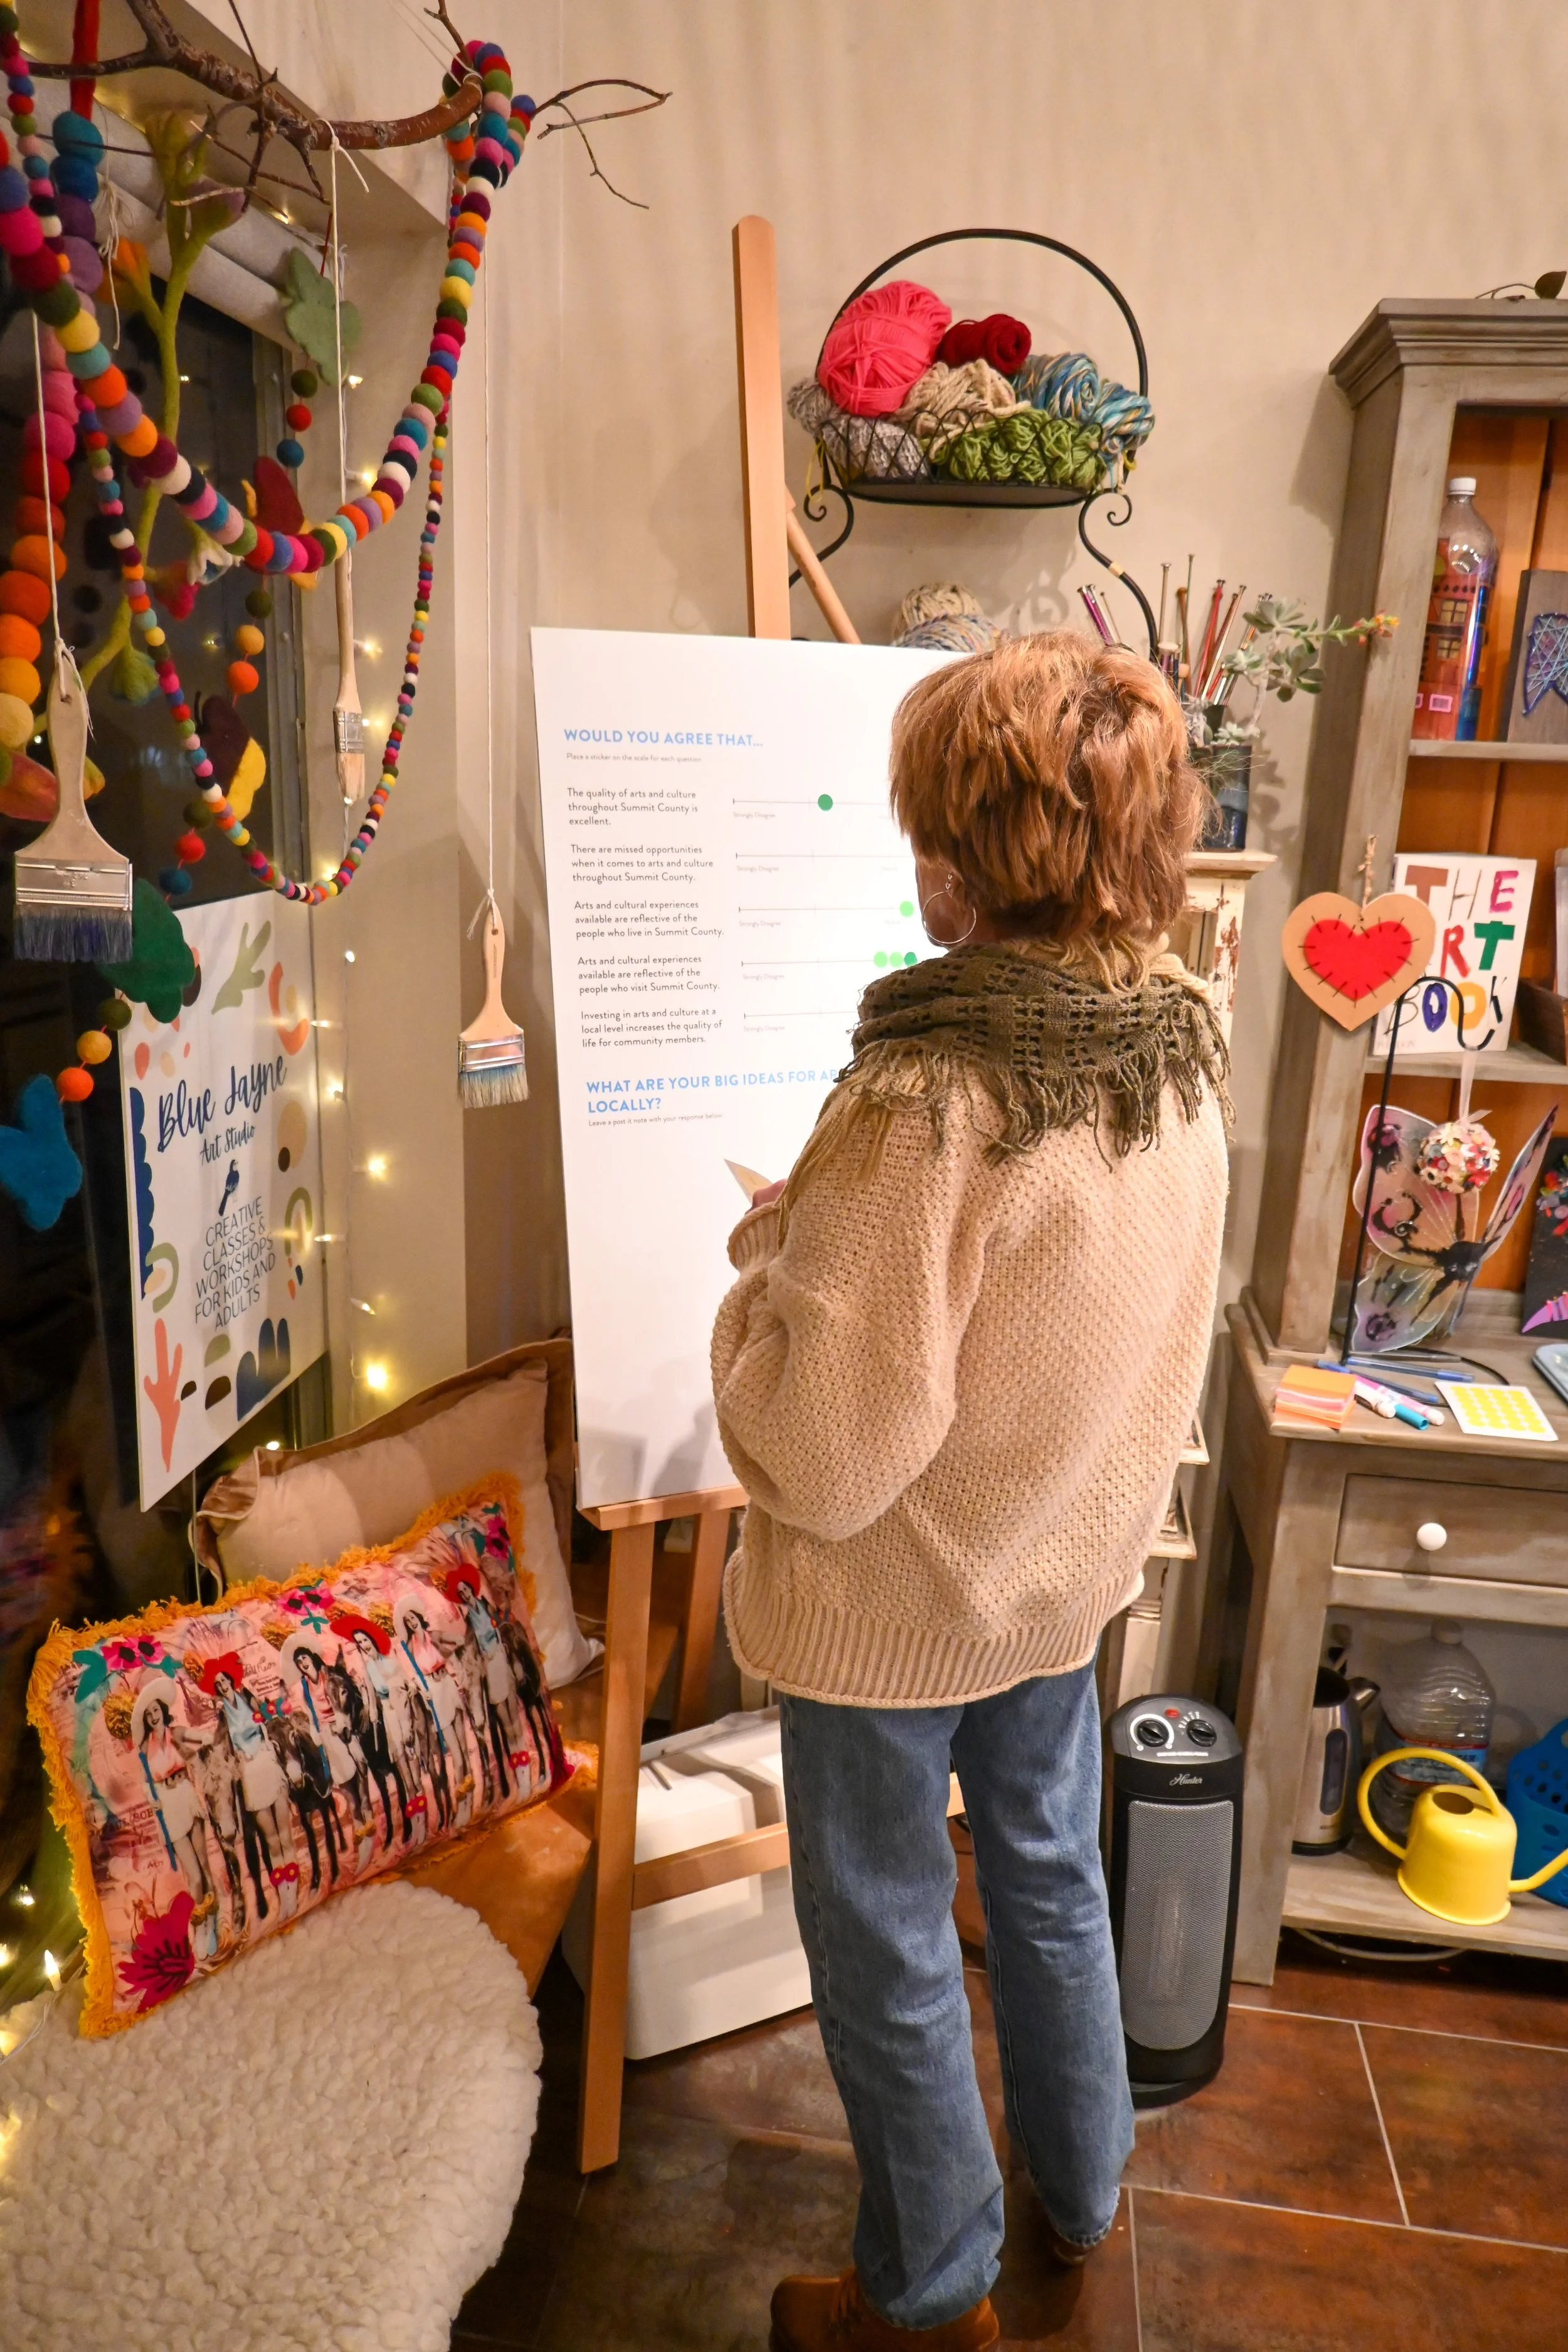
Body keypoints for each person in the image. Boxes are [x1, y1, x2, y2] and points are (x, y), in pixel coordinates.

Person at [710, 635, 1229, 2352]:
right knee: (1045, 1871)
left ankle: (926, 2294)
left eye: (927, 817)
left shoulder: (923, 1090)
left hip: (896, 1607)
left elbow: (821, 1449)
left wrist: (760, 1273)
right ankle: (1078, 2187)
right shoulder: (1175, 1054)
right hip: (1057, 1575)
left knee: (881, 1927)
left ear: (968, 844)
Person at [130, 1685, 220, 1961]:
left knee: (204, 1865)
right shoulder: (145, 1748)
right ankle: (201, 1922)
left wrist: (209, 1739)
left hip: (186, 1795)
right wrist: (150, 1795)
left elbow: (199, 1737)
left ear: (163, 1710)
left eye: (156, 1710)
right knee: (192, 1873)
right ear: (145, 1721)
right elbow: (146, 1781)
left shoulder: (176, 1733)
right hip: (169, 1805)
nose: (154, 1716)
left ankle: (212, 1923)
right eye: (148, 1715)